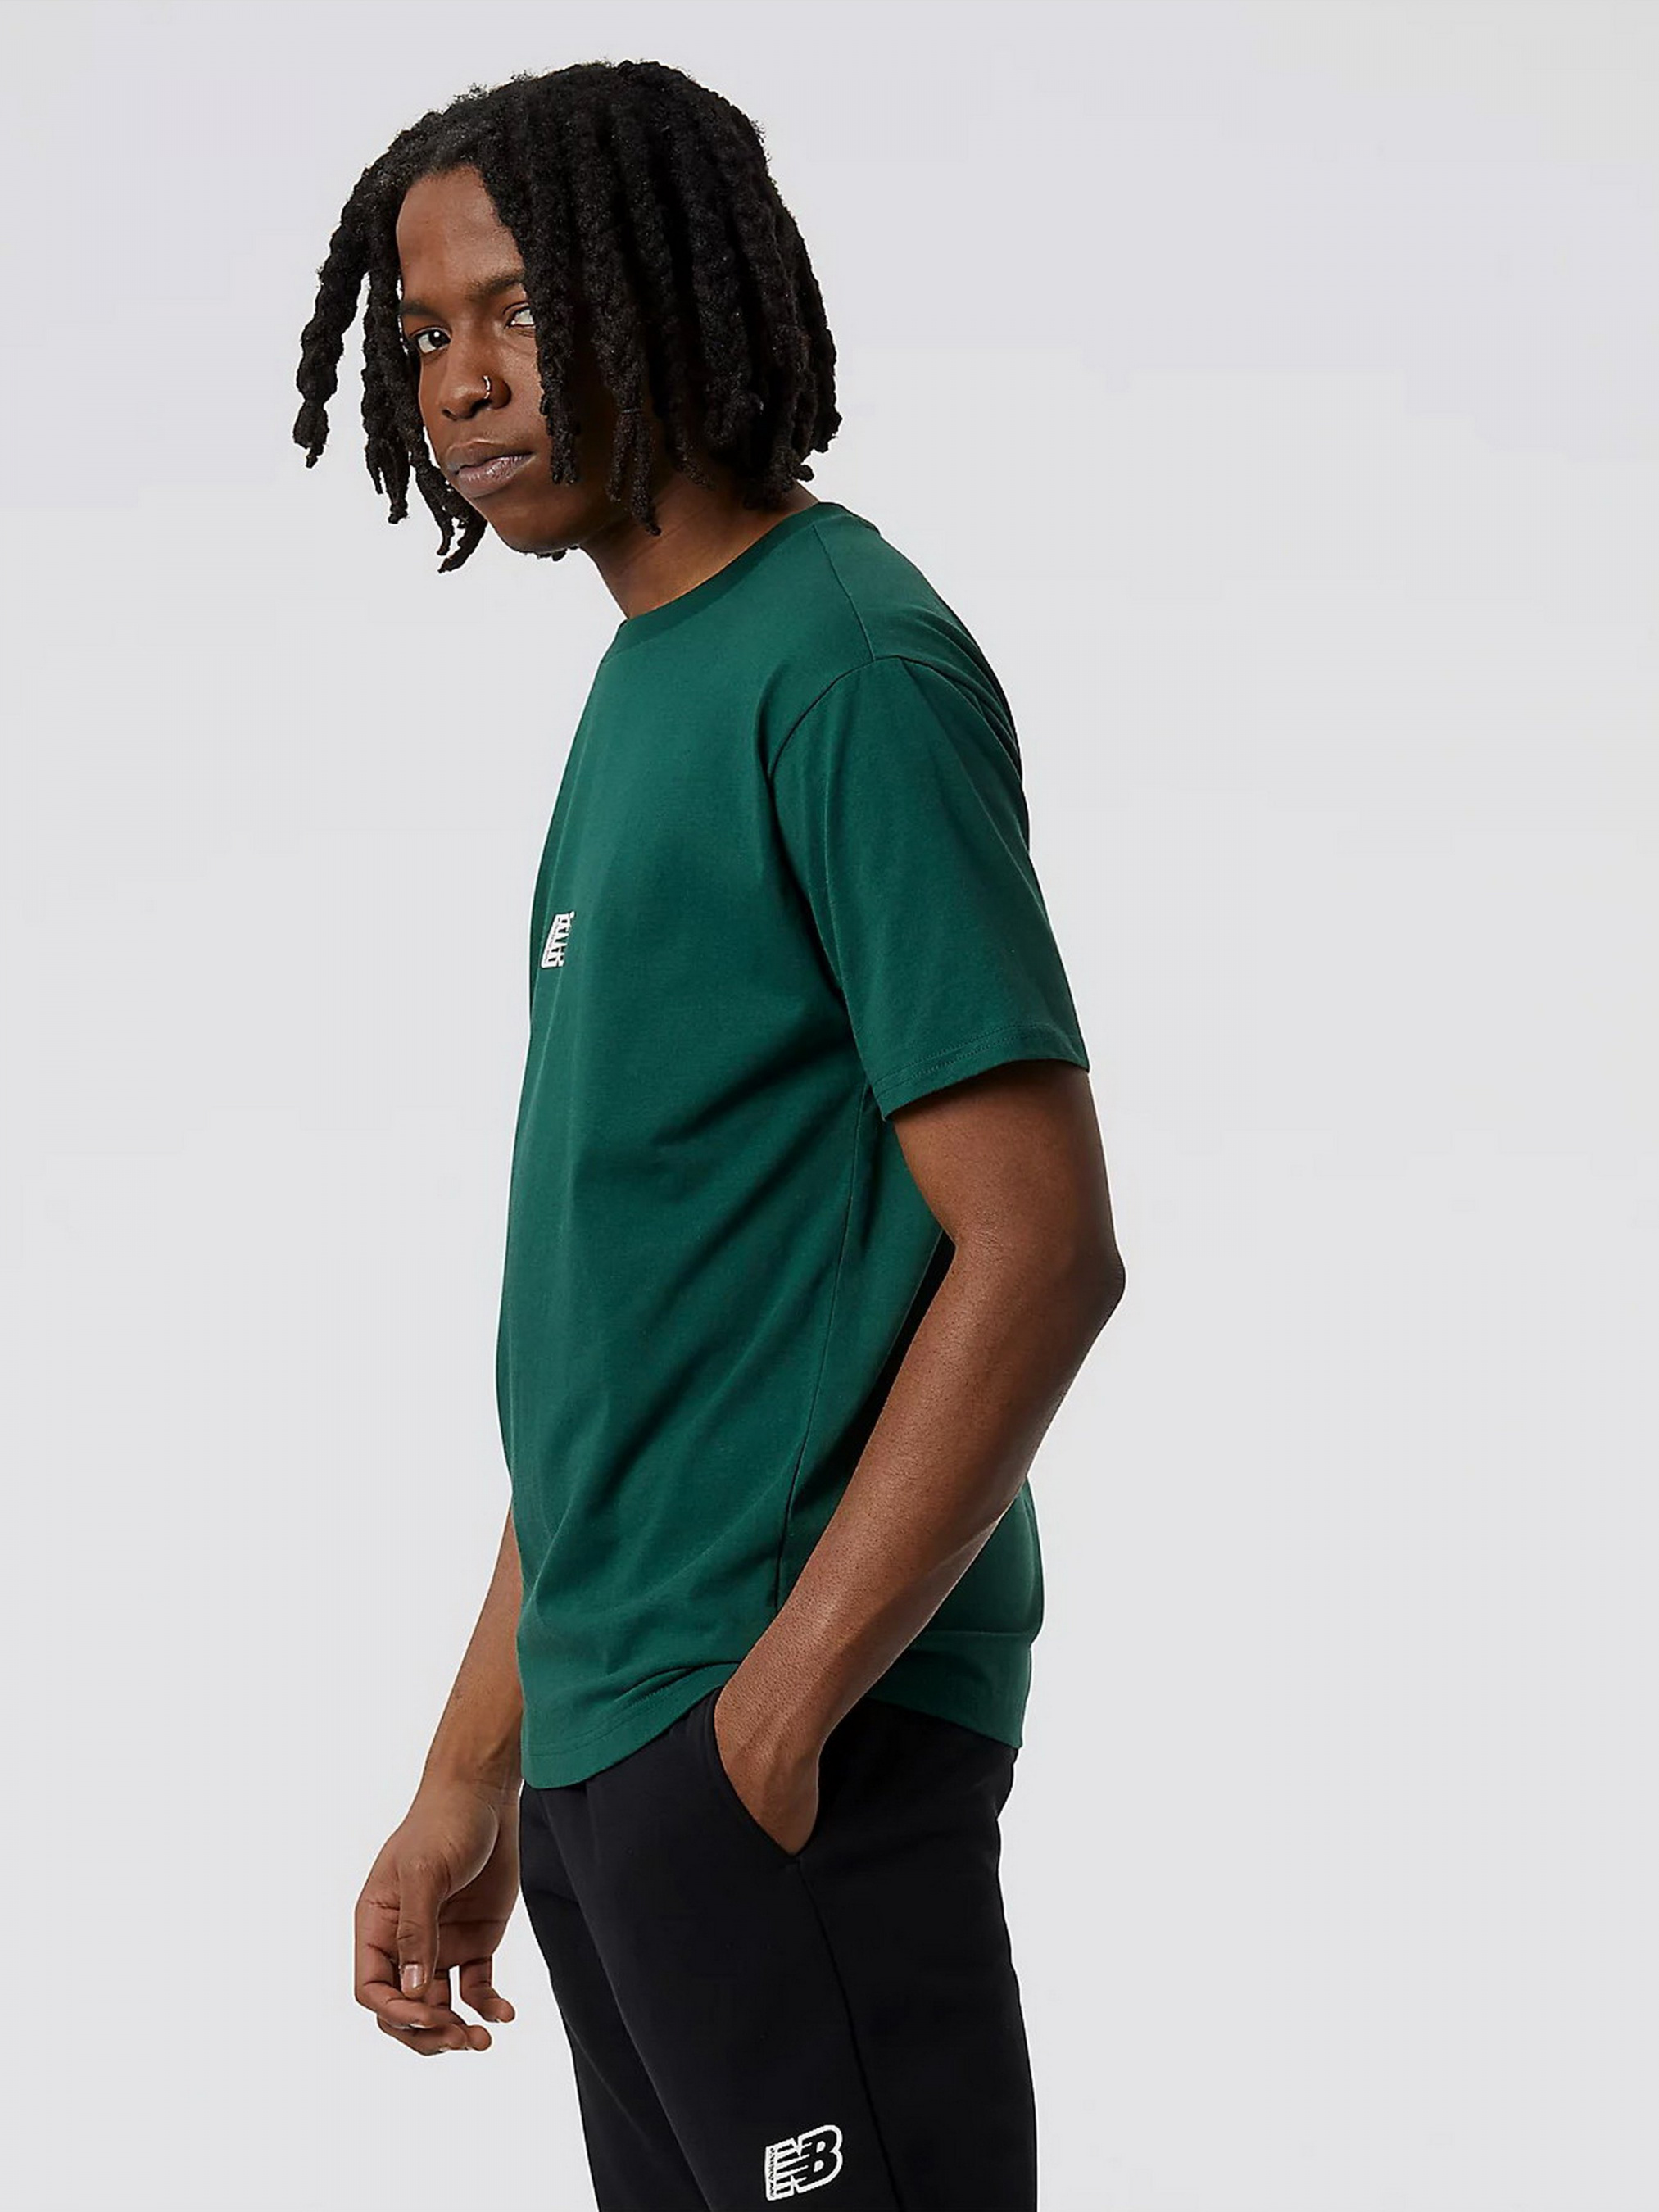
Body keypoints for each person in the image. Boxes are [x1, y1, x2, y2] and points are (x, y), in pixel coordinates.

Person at [296, 57, 1126, 2212]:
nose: (462, 383)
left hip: (777, 1738)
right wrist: (472, 1772)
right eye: (425, 333)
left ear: (671, 289)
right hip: (621, 1756)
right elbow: (643, 1334)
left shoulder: (842, 664)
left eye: (518, 307)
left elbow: (1040, 1242)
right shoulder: (647, 685)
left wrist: (775, 1718)